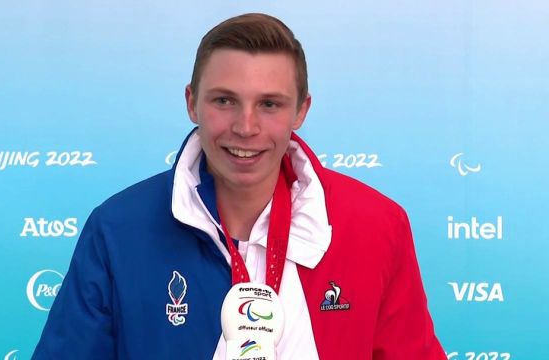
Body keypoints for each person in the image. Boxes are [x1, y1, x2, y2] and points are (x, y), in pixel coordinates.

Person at [33, 13, 446, 359]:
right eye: (224, 101)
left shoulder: (376, 225)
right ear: (191, 102)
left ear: (301, 110)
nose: (245, 127)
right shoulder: (118, 229)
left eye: (269, 104)